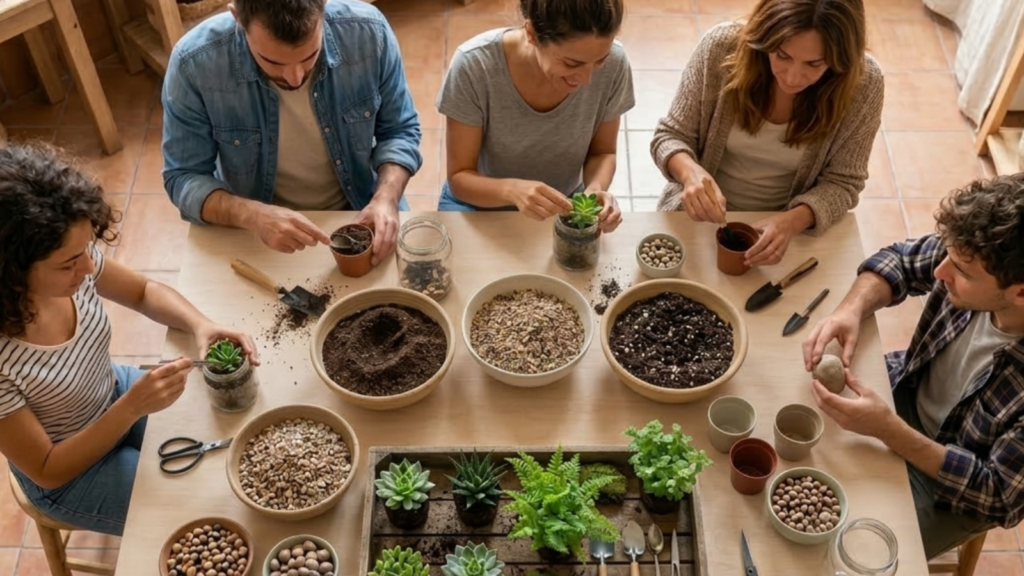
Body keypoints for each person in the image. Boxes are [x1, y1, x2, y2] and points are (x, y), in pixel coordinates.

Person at [0, 143, 260, 536]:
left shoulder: (73, 263)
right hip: (71, 470)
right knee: (201, 517)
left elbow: (142, 292)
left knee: (227, 455)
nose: (88, 268)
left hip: (112, 392)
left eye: (86, 250)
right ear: (12, 269)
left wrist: (200, 325)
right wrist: (130, 408)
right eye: (70, 263)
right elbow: (48, 469)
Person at [802, 175, 1024, 558]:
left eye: (961, 274)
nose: (940, 274)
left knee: (851, 554)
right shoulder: (976, 256)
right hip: (901, 391)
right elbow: (901, 261)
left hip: (952, 485)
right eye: (948, 257)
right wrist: (851, 309)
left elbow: (998, 494)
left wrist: (888, 430)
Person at [162, 0, 422, 263]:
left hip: (362, 209)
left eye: (310, 55)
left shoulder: (368, 32)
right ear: (237, 17)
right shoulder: (194, 63)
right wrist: (253, 215)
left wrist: (386, 198)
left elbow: (399, 130)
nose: (295, 78)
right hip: (255, 229)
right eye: (272, 61)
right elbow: (184, 176)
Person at [651, 0, 883, 266]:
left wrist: (792, 221)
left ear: (842, 58)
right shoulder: (720, 49)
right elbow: (669, 136)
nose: (793, 78)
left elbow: (844, 183)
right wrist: (690, 173)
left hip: (791, 234)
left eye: (814, 64)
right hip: (697, 221)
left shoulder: (865, 84)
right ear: (764, 36)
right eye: (782, 55)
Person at [436, 0, 634, 232]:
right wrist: (513, 191)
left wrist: (594, 190)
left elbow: (603, 152)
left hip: (563, 205)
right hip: (476, 206)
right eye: (572, 63)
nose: (587, 79)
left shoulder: (616, 63)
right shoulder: (474, 66)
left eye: (600, 60)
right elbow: (460, 178)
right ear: (532, 34)